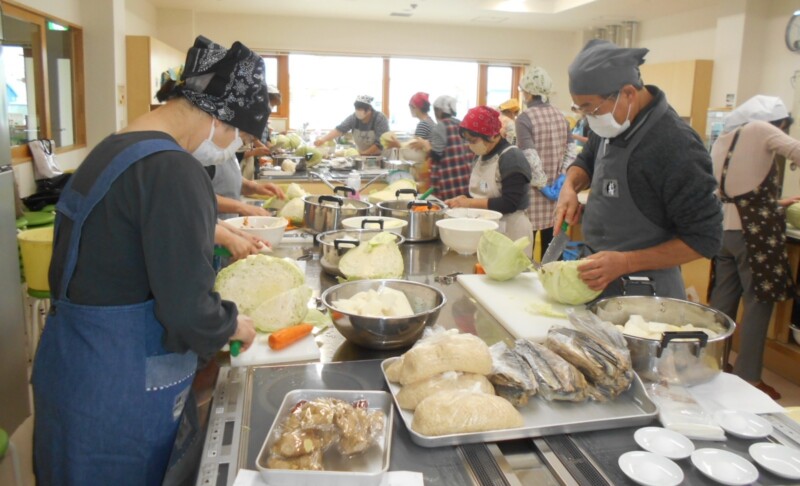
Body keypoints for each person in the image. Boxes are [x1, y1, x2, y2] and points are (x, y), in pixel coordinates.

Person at [32, 36, 261, 485]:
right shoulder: (173, 168)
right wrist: (232, 325)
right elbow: (188, 308)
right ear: (219, 116)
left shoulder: (113, 149)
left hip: (73, 371)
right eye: (239, 135)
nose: (233, 147)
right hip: (120, 390)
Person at [555, 39, 722, 299]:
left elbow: (705, 239)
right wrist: (569, 187)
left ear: (629, 93)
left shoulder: (676, 145)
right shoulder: (611, 123)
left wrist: (626, 262)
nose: (588, 118)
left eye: (591, 108)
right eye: (581, 109)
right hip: (596, 280)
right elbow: (585, 161)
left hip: (645, 296)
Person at [707, 95, 800, 399]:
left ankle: (714, 364)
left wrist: (778, 203)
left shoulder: (723, 139)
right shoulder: (761, 130)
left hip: (726, 232)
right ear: (780, 123)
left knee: (723, 302)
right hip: (755, 234)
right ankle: (750, 377)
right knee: (759, 303)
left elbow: (737, 193)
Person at [446, 106, 533, 255]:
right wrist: (464, 199)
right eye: (467, 141)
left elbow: (510, 203)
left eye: (473, 140)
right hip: (488, 229)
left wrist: (470, 203)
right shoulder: (480, 156)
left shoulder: (511, 157)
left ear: (492, 135)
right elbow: (481, 191)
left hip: (511, 232)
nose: (470, 145)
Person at [515, 66, 571, 260]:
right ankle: (554, 284)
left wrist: (541, 184)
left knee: (525, 251)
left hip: (533, 194)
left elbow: (529, 155)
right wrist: (563, 176)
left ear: (529, 92)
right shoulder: (561, 116)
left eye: (523, 91)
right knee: (553, 251)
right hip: (556, 195)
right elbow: (571, 150)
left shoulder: (524, 118)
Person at [415, 95, 474, 200]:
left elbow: (437, 155)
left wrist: (426, 146)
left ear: (439, 111)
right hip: (464, 181)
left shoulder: (441, 126)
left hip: (448, 181)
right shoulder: (460, 124)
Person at [314, 95, 389, 155]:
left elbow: (380, 144)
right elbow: (339, 129)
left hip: (379, 157)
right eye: (357, 109)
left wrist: (363, 154)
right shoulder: (354, 118)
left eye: (361, 110)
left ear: (369, 109)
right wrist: (322, 140)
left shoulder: (380, 119)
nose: (358, 112)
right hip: (361, 156)